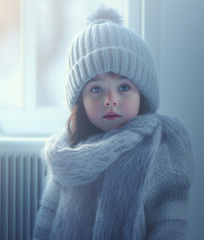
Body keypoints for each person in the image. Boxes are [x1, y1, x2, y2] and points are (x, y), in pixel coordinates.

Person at [33, 4, 194, 240]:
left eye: (124, 87)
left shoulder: (162, 149)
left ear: (143, 94)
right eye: (96, 89)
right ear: (80, 98)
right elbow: (44, 227)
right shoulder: (65, 153)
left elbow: (170, 226)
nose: (110, 100)